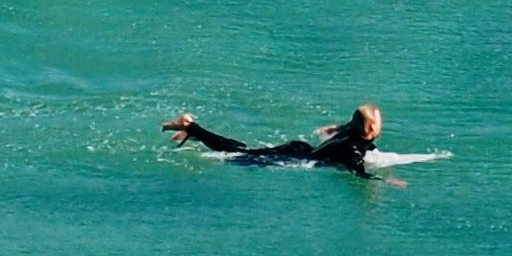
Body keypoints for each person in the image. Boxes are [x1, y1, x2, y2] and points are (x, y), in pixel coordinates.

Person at [162, 103, 386, 178]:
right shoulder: (353, 147)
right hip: (294, 156)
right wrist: (381, 181)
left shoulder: (351, 133)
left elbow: (349, 126)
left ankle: (194, 131)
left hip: (300, 149)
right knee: (237, 154)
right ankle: (191, 127)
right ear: (372, 128)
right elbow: (357, 170)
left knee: (243, 148)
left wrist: (335, 128)